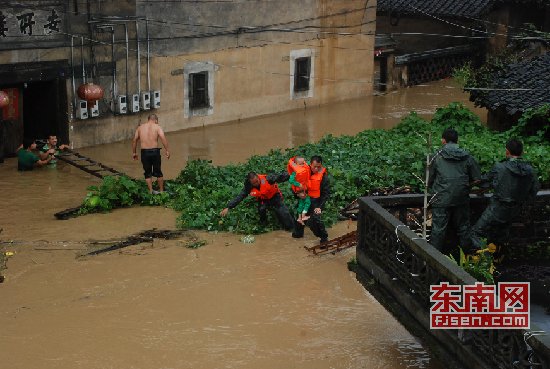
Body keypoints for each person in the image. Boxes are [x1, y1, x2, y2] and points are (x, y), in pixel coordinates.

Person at [471, 139, 540, 249]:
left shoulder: (500, 167)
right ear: (521, 153)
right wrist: (522, 202)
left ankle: (485, 261)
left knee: (475, 233)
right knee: (501, 235)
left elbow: (483, 181)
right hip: (514, 210)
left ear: (507, 152)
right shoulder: (530, 170)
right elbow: (535, 188)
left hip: (497, 209)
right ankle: (499, 259)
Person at [428, 128, 481, 253]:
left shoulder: (436, 157)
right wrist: (466, 186)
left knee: (438, 230)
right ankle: (467, 258)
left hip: (441, 198)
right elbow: (478, 179)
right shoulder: (467, 156)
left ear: (443, 141)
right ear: (458, 141)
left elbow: (428, 180)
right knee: (463, 228)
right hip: (461, 198)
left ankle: (433, 258)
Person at [219, 171, 295, 230]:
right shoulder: (248, 186)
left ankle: (291, 228)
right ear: (250, 182)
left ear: (258, 177)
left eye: (257, 181)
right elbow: (240, 197)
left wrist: (294, 174)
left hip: (275, 197)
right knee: (261, 209)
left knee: (283, 212)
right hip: (263, 199)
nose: (256, 184)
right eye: (254, 183)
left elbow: (282, 176)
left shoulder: (268, 178)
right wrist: (228, 207)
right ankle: (264, 225)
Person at [292, 155, 330, 244]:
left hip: (317, 202)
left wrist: (320, 207)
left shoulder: (323, 177)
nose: (316, 169)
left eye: (318, 167)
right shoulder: (303, 172)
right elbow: (294, 185)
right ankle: (298, 235)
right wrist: (297, 193)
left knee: (315, 220)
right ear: (310, 165)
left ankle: (324, 238)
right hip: (305, 199)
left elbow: (326, 194)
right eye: (314, 166)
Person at [132, 113, 170, 194]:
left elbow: (134, 140)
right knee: (158, 172)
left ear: (148, 119)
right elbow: (163, 138)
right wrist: (167, 150)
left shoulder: (140, 127)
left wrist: (134, 153)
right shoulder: (157, 127)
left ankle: (150, 191)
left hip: (144, 153)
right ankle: (162, 191)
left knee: (147, 172)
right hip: (155, 152)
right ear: (156, 120)